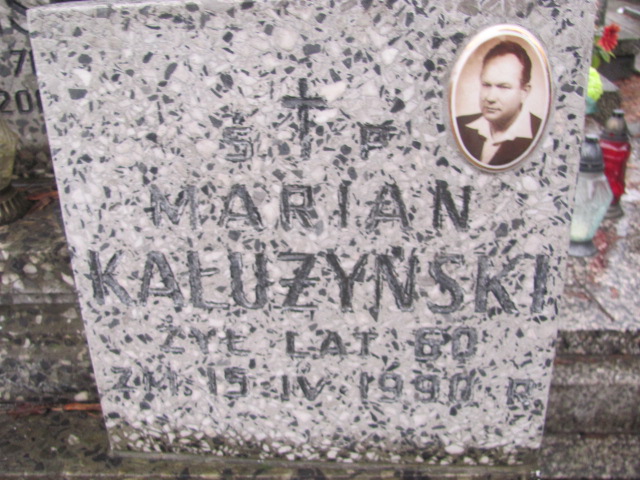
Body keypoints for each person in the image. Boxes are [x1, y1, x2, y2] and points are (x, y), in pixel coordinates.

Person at [456, 41, 541, 167]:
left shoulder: (541, 135)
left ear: (524, 92)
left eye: (503, 87)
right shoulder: (459, 126)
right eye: (486, 85)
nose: (490, 98)